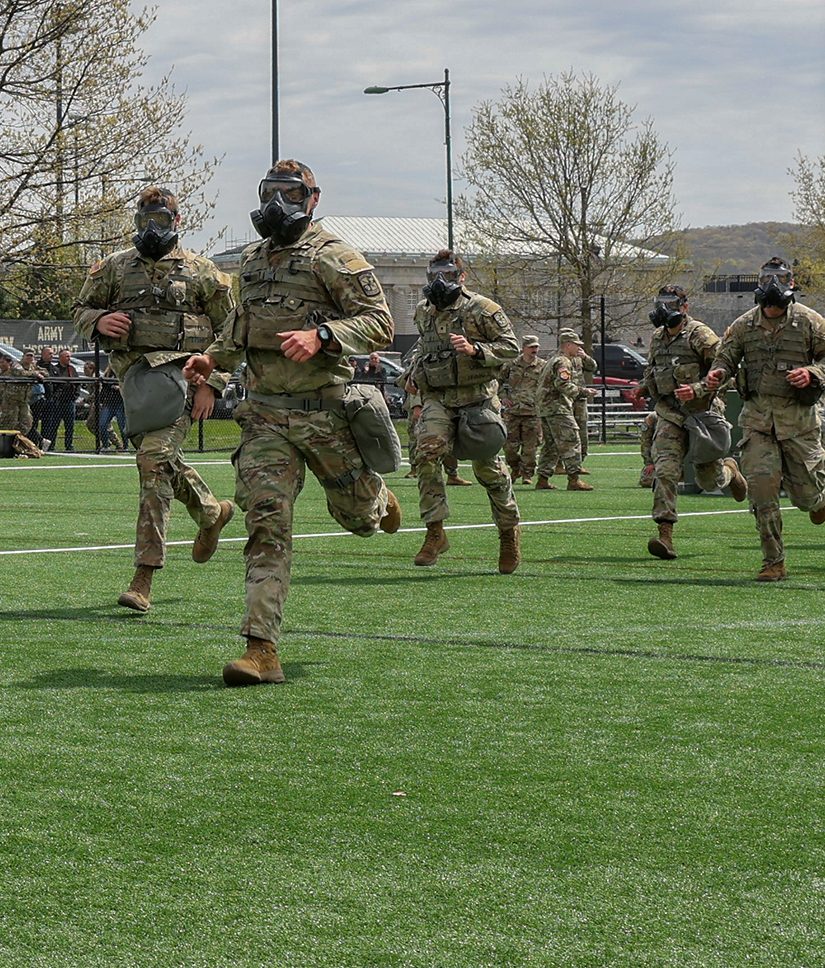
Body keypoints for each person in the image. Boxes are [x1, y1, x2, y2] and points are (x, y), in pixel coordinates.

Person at [185, 160, 397, 684]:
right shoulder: (253, 259)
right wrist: (212, 361)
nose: (278, 203)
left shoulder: (335, 256)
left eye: (291, 193)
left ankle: (377, 498)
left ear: (313, 199)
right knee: (266, 525)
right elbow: (239, 327)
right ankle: (261, 650)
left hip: (323, 416)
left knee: (359, 521)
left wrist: (323, 336)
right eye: (269, 192)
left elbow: (381, 322)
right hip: (263, 418)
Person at [75, 184, 236, 612]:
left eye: (160, 220)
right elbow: (80, 310)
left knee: (152, 461)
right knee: (159, 458)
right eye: (144, 220)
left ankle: (144, 576)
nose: (151, 228)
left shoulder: (203, 273)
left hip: (181, 380)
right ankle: (210, 511)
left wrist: (211, 384)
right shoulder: (112, 268)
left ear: (176, 222)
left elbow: (233, 333)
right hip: (135, 385)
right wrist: (99, 319)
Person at [705, 256, 825, 582]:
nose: (773, 286)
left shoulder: (811, 322)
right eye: (767, 279)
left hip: (799, 424)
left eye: (780, 279)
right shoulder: (743, 325)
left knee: (805, 497)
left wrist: (812, 372)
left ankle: (818, 498)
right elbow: (724, 358)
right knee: (762, 493)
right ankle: (773, 561)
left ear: (791, 284)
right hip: (757, 423)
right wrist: (717, 374)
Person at [408, 249, 524, 572]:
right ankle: (435, 532)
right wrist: (413, 378)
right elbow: (423, 347)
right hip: (439, 399)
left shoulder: (481, 309)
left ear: (461, 277)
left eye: (446, 274)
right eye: (434, 275)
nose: (439, 281)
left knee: (488, 470)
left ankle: (508, 531)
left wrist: (477, 350)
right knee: (426, 455)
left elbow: (511, 346)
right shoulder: (423, 311)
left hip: (477, 400)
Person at [640, 283, 745, 560]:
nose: (665, 309)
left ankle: (730, 472)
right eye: (660, 302)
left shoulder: (700, 335)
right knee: (666, 470)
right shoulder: (656, 337)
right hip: (669, 415)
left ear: (685, 307)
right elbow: (652, 371)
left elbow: (726, 372)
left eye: (672, 304)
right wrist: (641, 388)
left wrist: (697, 389)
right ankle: (665, 535)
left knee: (709, 481)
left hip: (702, 415)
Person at [535, 330, 592, 490]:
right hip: (557, 407)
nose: (578, 348)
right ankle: (574, 479)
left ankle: (542, 479)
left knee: (551, 445)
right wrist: (583, 392)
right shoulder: (563, 362)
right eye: (576, 345)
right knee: (572, 441)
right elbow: (562, 384)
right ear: (568, 345)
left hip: (545, 408)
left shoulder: (552, 360)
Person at [501, 338, 544, 467]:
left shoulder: (543, 365)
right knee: (509, 448)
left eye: (536, 347)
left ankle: (527, 474)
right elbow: (496, 380)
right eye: (531, 347)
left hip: (532, 413)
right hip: (513, 411)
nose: (534, 350)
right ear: (523, 348)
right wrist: (502, 396)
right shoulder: (512, 364)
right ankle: (515, 467)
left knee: (530, 448)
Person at [45, 349, 80, 452]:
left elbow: (78, 383)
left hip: (70, 402)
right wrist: (55, 397)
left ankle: (69, 446)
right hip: (58, 403)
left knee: (70, 426)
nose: (69, 358)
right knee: (54, 426)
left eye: (69, 356)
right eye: (67, 356)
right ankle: (51, 446)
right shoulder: (56, 369)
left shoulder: (72, 369)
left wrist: (76, 395)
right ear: (60, 358)